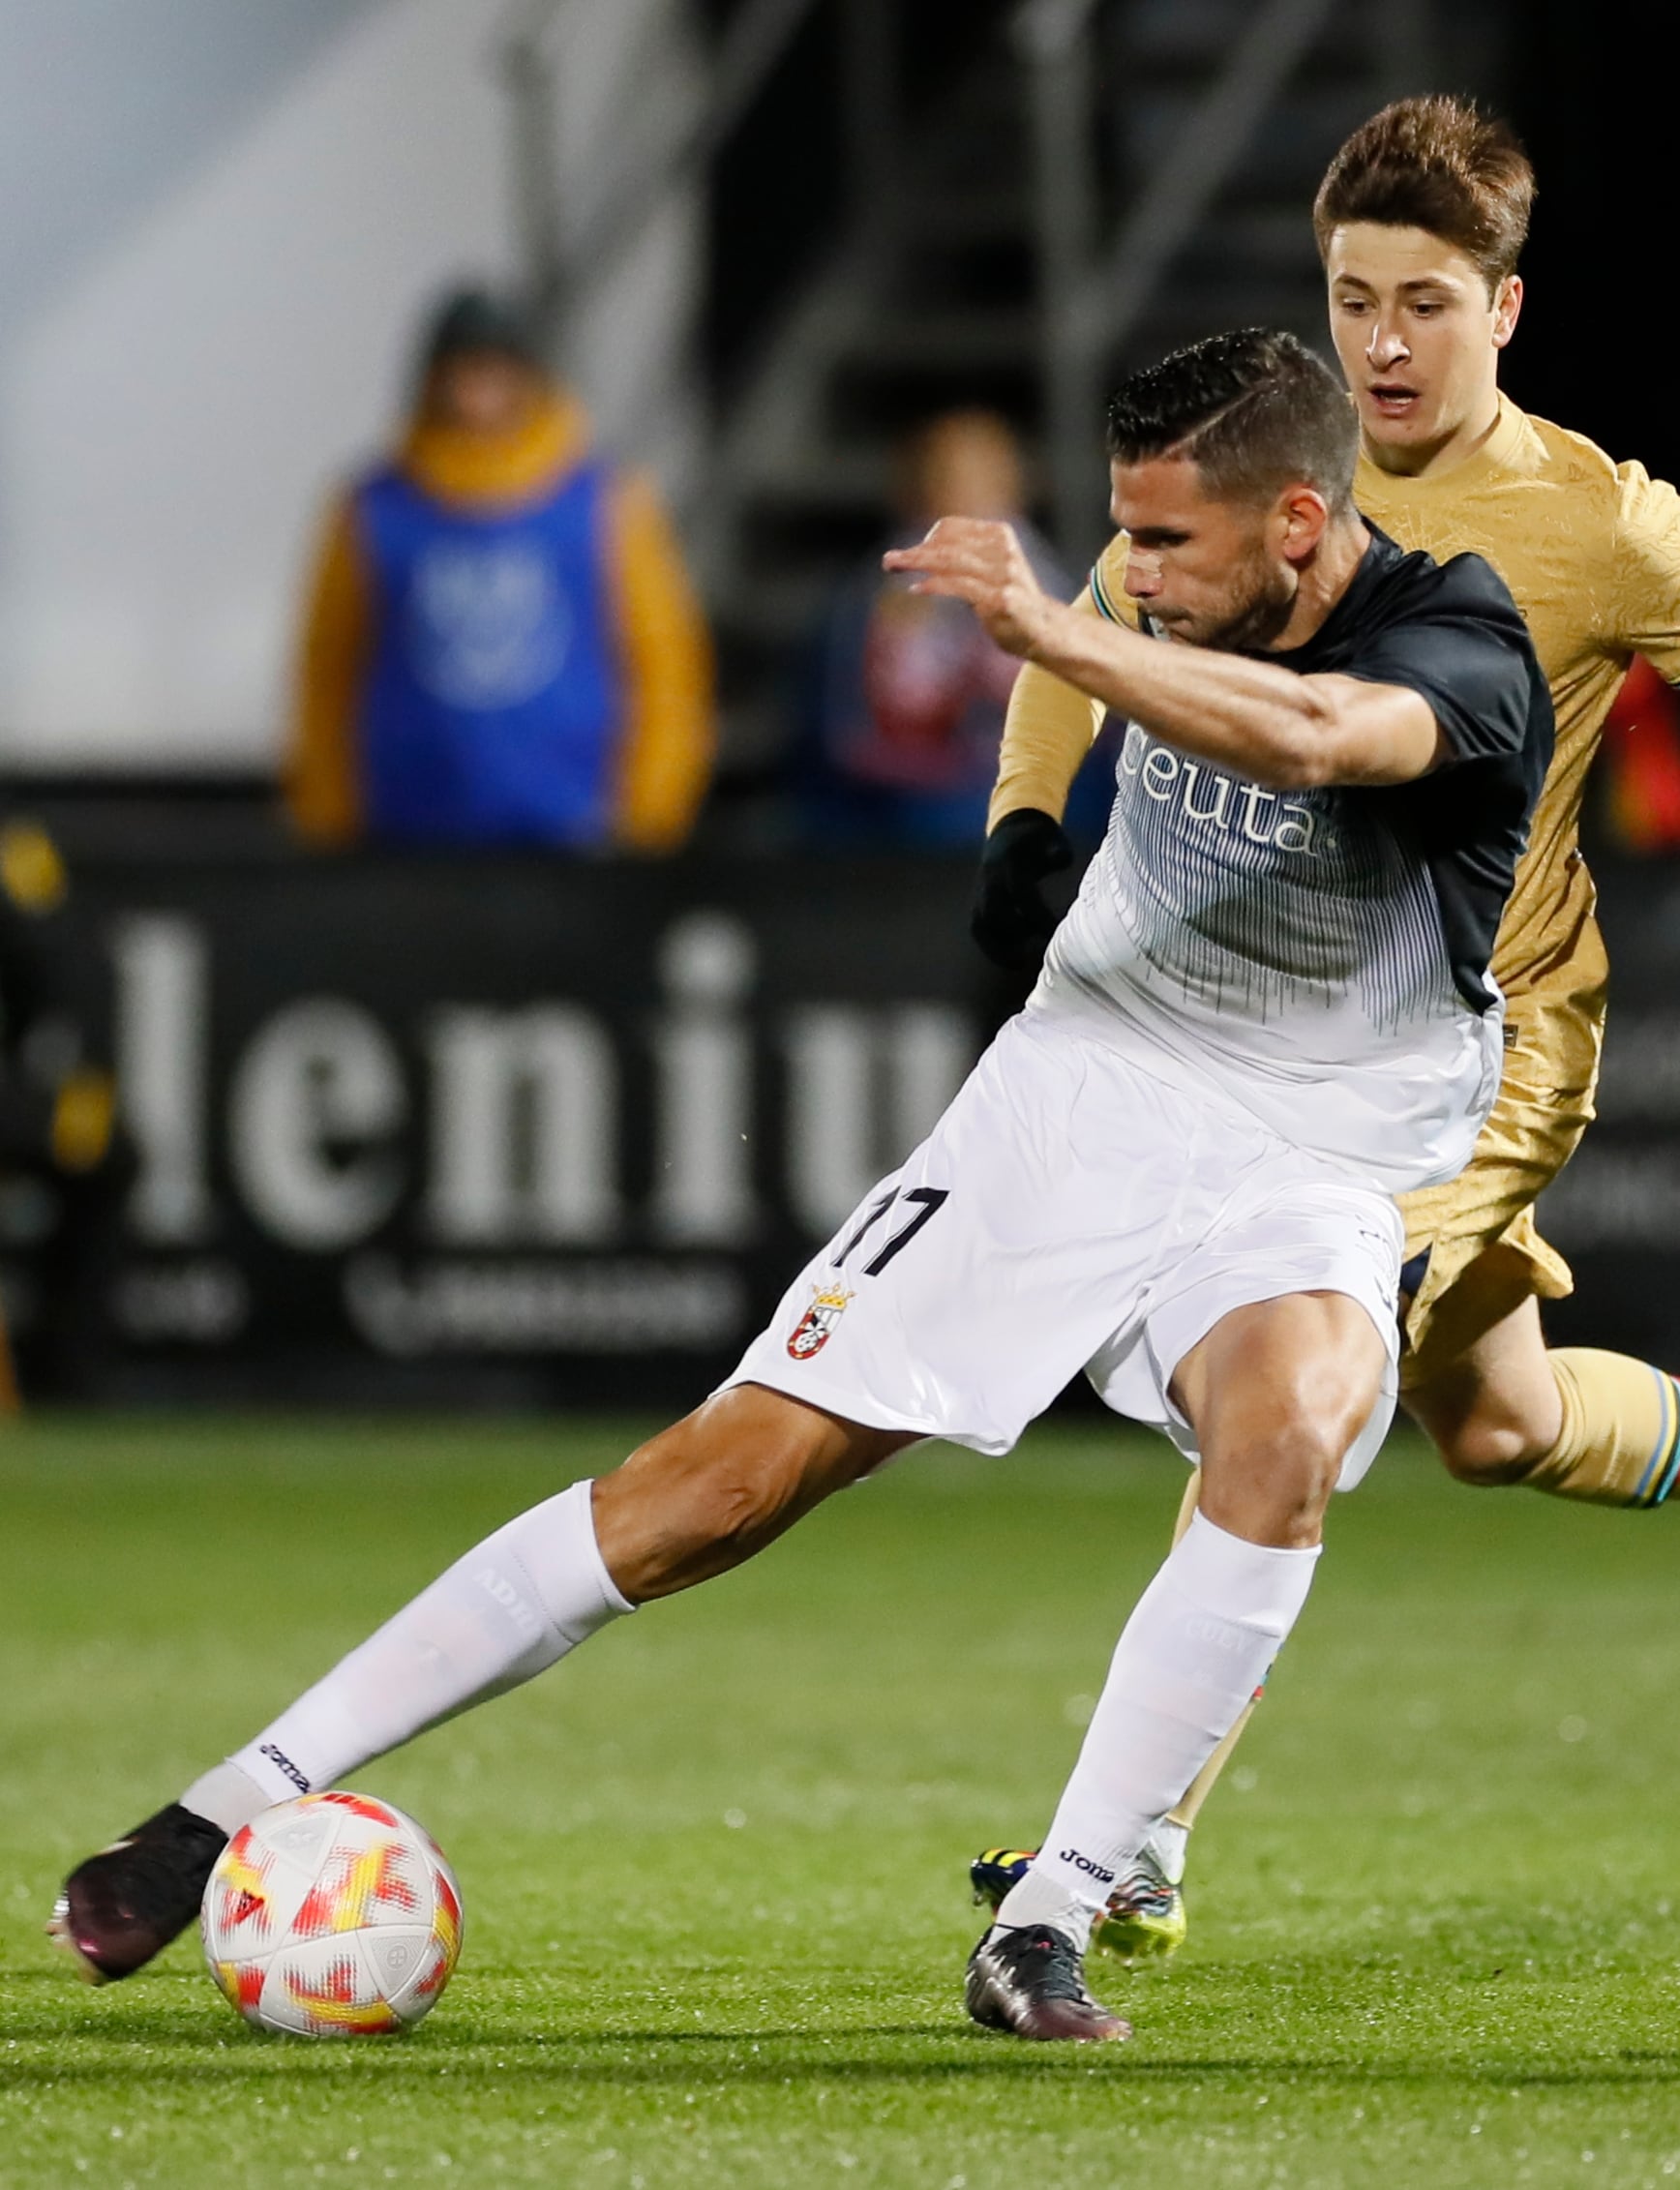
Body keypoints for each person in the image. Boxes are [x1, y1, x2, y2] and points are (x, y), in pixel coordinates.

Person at [51, 328, 1551, 2046]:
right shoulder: (1161, 594)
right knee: (712, 1489)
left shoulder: (1461, 642)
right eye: (1119, 542)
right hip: (1083, 1088)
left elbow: (1312, 736)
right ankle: (217, 1810)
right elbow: (1081, 664)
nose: (1131, 574)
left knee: (1285, 1430)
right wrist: (1022, 812)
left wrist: (1055, 627)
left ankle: (1050, 1918)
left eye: (1162, 546)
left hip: (1314, 1137)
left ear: (1300, 522)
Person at [969, 96, 1680, 1960]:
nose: (1383, 343)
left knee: (1284, 1382)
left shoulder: (1597, 521)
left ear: (1507, 306)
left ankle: (1135, 1837)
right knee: (1492, 1425)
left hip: (1486, 1045)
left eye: (1425, 302)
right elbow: (1086, 626)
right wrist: (1028, 826)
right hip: (1280, 1032)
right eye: (1352, 298)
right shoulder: (1275, 457)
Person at [286, 288, 714, 853]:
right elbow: (328, 668)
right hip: (403, 831)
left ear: (528, 380)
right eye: (460, 374)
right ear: (430, 383)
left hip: (572, 828)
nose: (477, 395)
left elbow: (663, 663)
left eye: (495, 372)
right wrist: (327, 815)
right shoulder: (375, 508)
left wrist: (649, 816)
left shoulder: (603, 503)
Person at [795, 410, 1105, 848]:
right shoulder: (871, 600)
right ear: (913, 490)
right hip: (910, 800)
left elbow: (1094, 717)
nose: (969, 495)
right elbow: (849, 734)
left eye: (986, 477)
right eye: (948, 478)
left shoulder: (1065, 589)